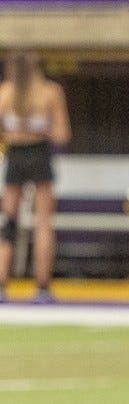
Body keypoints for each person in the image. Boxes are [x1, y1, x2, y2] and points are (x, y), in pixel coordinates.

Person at [0, 52, 69, 304]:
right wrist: (39, 128)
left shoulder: (5, 93)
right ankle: (42, 287)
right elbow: (62, 134)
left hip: (17, 156)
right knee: (42, 222)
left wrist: (16, 130)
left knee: (9, 223)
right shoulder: (49, 93)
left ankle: (2, 284)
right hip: (39, 155)